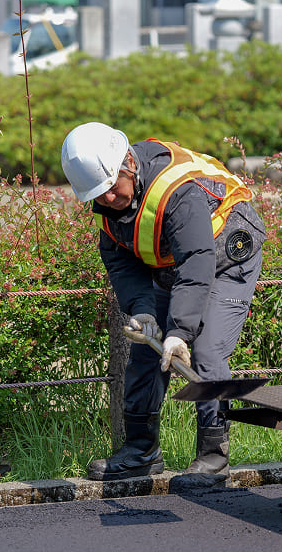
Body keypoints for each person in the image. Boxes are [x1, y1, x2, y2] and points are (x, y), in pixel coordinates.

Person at [60, 122, 266, 487]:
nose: (106, 199)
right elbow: (122, 262)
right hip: (176, 265)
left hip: (226, 256)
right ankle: (141, 453)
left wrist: (180, 332)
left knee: (206, 350)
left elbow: (198, 261)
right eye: (98, 193)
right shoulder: (110, 204)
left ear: (128, 164)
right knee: (146, 348)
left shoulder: (177, 191)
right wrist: (143, 312)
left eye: (111, 188)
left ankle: (213, 457)